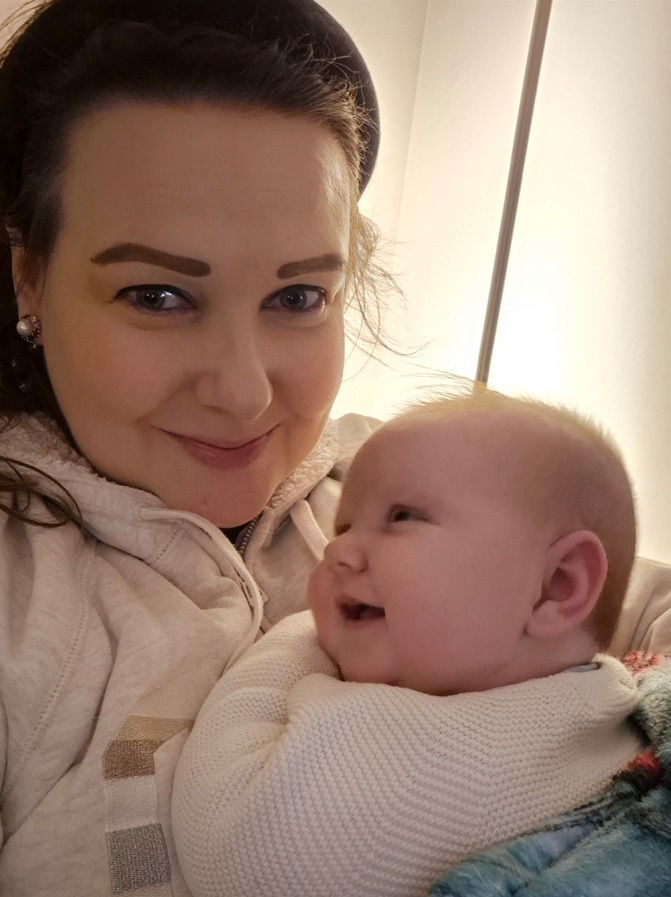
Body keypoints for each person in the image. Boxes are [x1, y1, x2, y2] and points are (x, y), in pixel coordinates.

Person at [0, 0, 669, 895]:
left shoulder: (410, 477)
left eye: (296, 298)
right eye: (157, 295)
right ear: (30, 276)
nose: (244, 392)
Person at [172, 390, 647, 897]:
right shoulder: (601, 710)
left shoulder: (436, 757)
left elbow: (236, 854)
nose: (337, 550)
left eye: (402, 517)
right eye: (344, 526)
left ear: (558, 586)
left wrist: (295, 641)